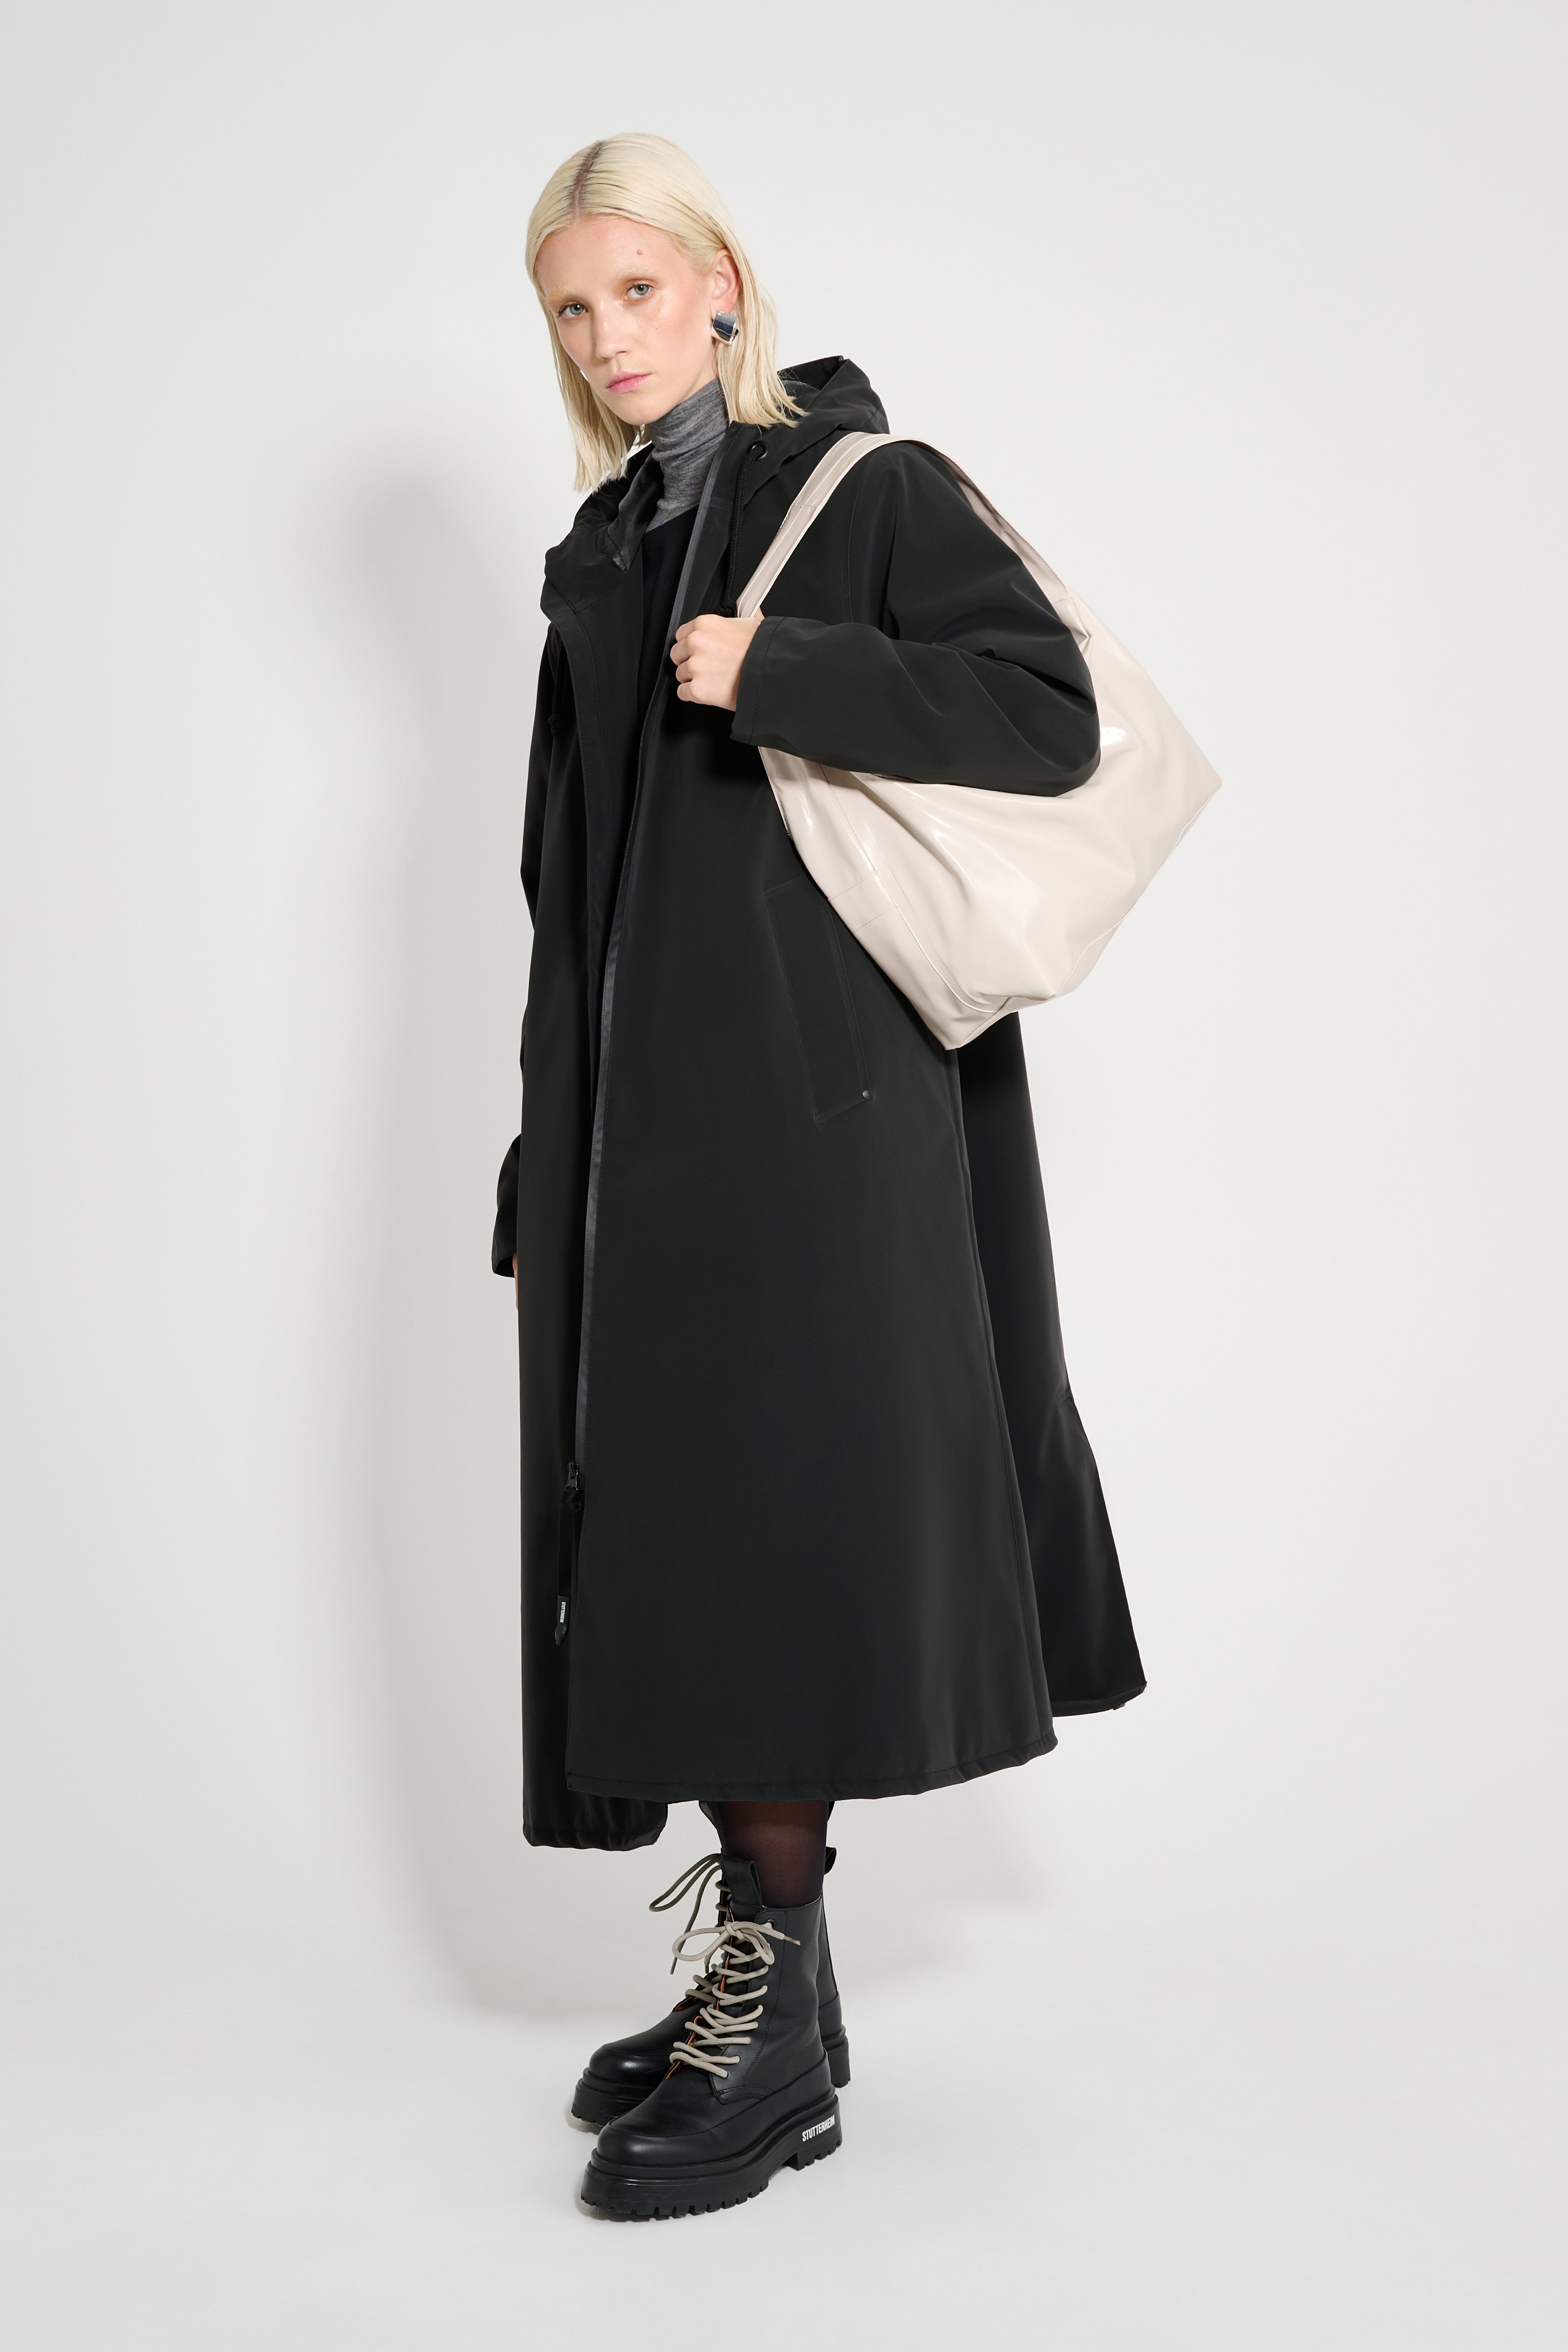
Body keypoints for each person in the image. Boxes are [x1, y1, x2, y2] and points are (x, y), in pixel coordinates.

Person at [492, 132, 1145, 2219]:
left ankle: (767, 2028)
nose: (607, 338)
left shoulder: (859, 492)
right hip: (641, 1132)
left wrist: (781, 668)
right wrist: (546, 1135)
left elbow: (1050, 717)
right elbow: (579, 882)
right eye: (571, 308)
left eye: (635, 291)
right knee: (662, 1533)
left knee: (762, 1538)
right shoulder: (605, 545)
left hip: (818, 1123)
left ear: (720, 284)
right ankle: (782, 1984)